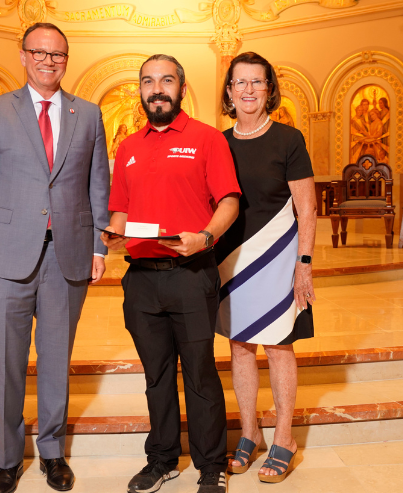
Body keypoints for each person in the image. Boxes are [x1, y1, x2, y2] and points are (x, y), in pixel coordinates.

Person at [0, 22, 110, 493]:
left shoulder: (88, 114)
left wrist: (98, 245)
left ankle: (51, 452)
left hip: (67, 255)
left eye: (58, 54)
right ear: (23, 56)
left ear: (68, 60)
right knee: (7, 361)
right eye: (40, 53)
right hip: (5, 258)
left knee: (55, 360)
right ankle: (8, 459)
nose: (49, 61)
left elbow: (97, 186)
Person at [101, 54, 240, 493]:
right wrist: (111, 235)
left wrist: (205, 236)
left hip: (190, 273)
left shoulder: (206, 139)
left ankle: (211, 463)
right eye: (147, 81)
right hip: (141, 278)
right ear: (139, 91)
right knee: (156, 374)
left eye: (165, 80)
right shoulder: (127, 147)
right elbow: (120, 210)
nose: (156, 88)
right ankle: (161, 458)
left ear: (181, 88)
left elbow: (230, 202)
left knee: (199, 372)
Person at [216, 51, 316, 484]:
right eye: (241, 82)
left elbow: (307, 209)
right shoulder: (218, 142)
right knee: (239, 346)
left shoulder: (288, 140)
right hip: (231, 258)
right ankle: (250, 432)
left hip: (278, 257)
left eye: (257, 82)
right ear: (229, 91)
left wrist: (304, 265)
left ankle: (284, 438)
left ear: (269, 89)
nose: (249, 90)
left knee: (278, 346)